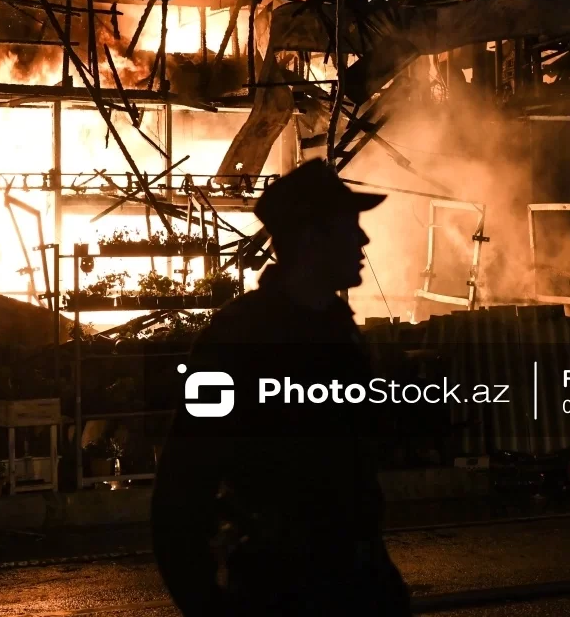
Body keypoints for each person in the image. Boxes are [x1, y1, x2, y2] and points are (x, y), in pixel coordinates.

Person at [151, 159, 411, 617]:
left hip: (358, 583)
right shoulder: (237, 338)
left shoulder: (337, 330)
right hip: (283, 591)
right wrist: (204, 603)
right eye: (350, 226)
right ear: (312, 237)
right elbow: (183, 485)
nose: (364, 241)